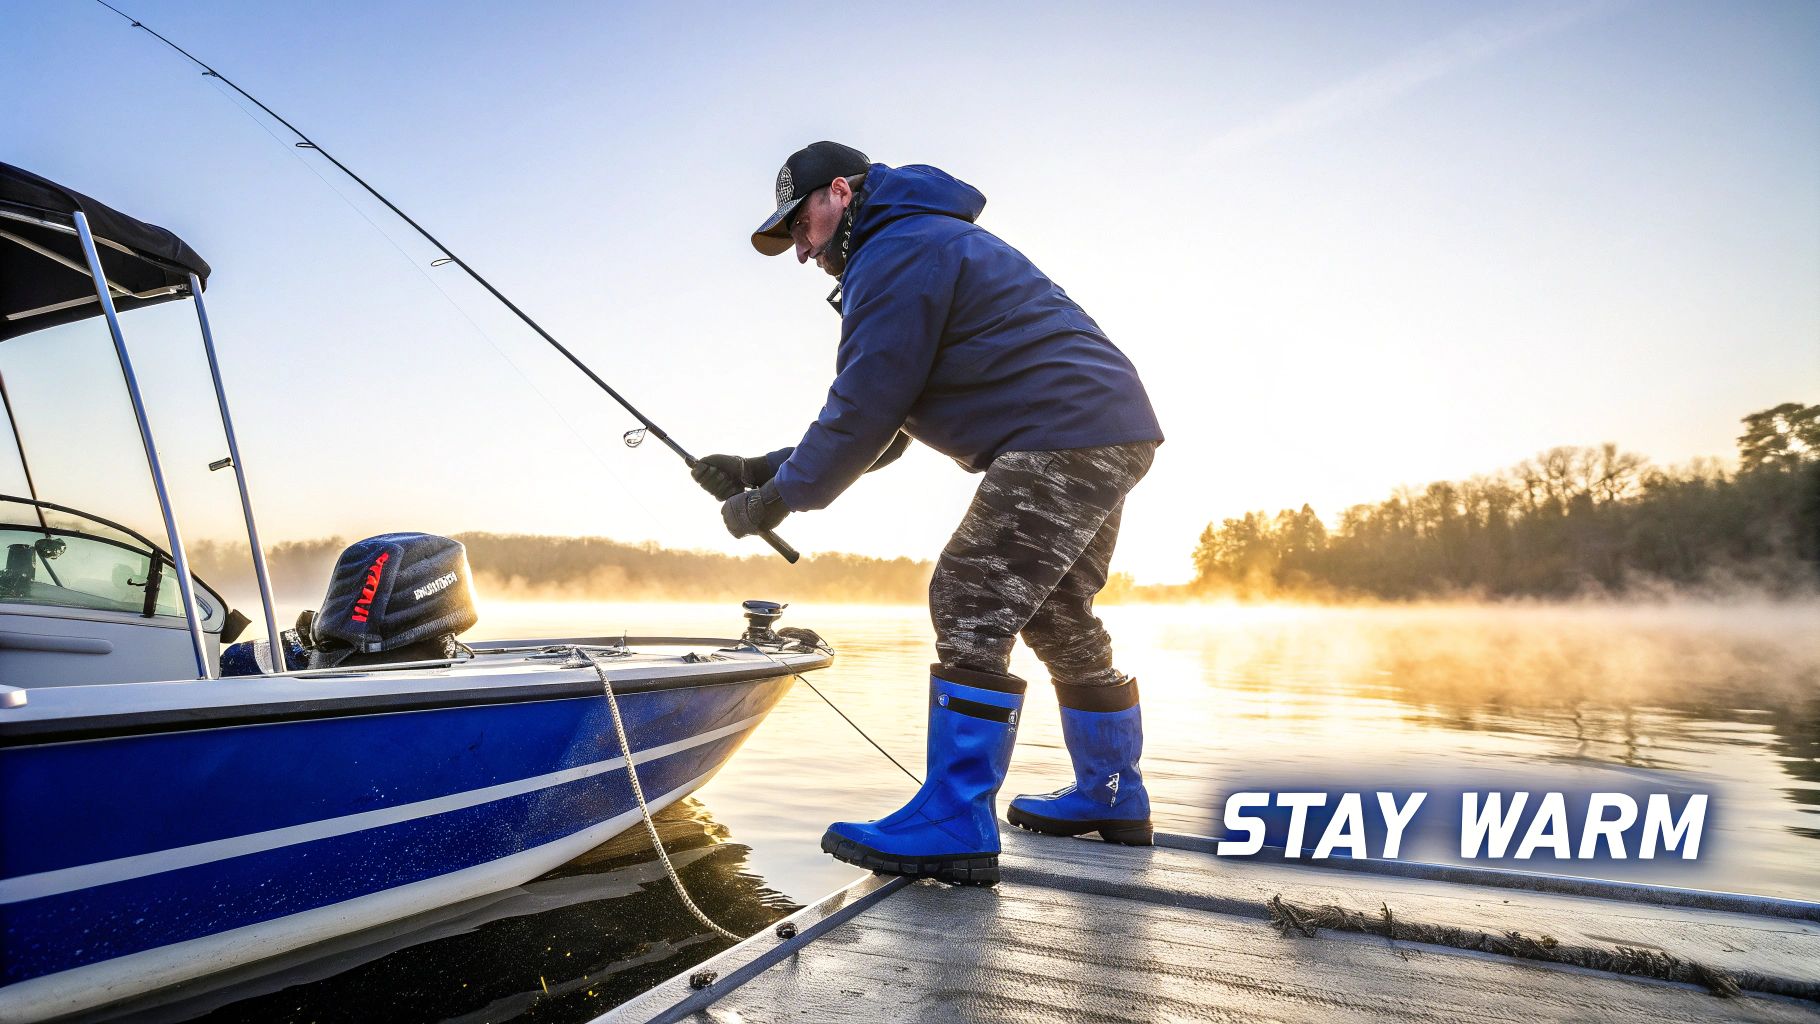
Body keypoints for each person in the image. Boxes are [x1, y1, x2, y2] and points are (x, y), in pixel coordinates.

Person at [694, 141, 1163, 887]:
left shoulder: (896, 252)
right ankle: (1111, 794)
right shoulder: (916, 238)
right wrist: (758, 471)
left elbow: (864, 410)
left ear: (839, 194)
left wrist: (773, 501)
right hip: (1101, 423)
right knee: (1057, 615)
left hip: (1062, 430)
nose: (800, 251)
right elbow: (887, 428)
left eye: (801, 227)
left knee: (969, 596)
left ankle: (956, 820)